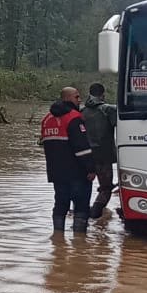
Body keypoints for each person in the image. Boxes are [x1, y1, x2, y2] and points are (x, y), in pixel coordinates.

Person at [41, 87, 94, 233]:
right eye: (77, 97)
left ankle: (58, 240)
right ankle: (80, 242)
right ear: (68, 98)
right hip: (77, 173)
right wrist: (91, 168)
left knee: (60, 204)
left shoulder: (47, 120)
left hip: (56, 173)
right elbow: (82, 147)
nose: (80, 100)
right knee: (81, 206)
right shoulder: (74, 117)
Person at [81, 82, 120, 219]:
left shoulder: (81, 112)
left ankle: (81, 215)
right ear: (103, 95)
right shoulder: (109, 110)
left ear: (88, 94)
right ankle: (95, 215)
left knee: (82, 186)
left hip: (84, 157)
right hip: (104, 156)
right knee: (106, 188)